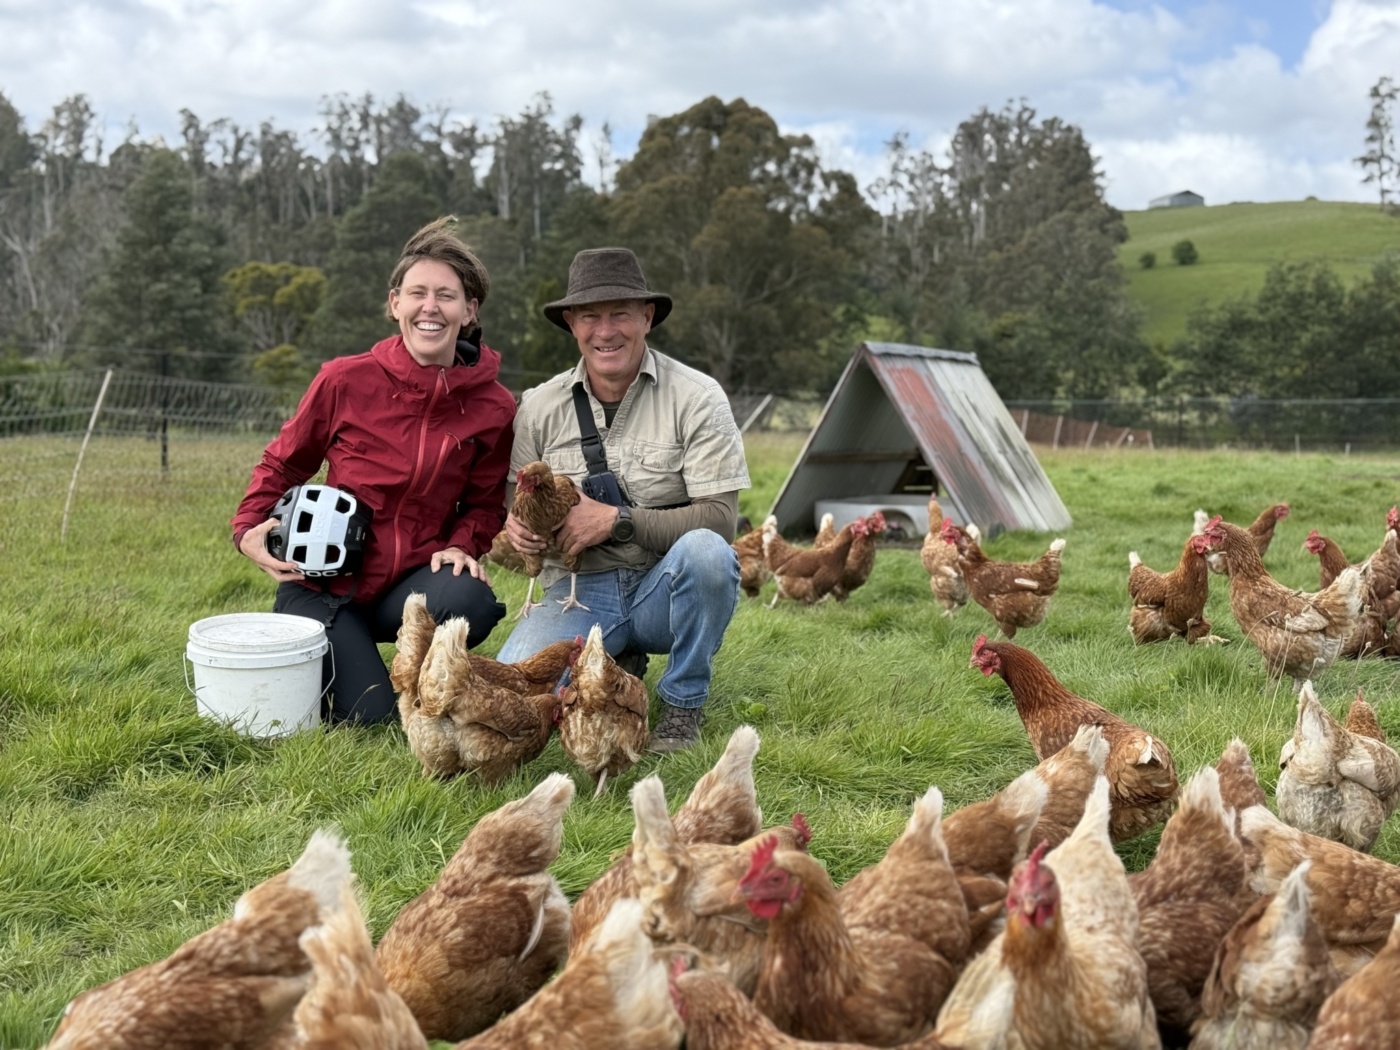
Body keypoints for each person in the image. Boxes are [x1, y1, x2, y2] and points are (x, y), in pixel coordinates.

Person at [231, 217, 516, 724]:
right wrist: (247, 529)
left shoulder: (493, 406)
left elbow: (485, 502)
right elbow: (285, 460)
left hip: (407, 585)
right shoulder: (344, 379)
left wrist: (463, 544)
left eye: (446, 296)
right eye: (418, 293)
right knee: (372, 718)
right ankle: (339, 660)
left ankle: (414, 674)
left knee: (471, 598)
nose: (431, 307)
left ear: (469, 310)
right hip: (322, 582)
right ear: (395, 304)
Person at [497, 247, 749, 752]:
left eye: (620, 314)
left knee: (708, 554)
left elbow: (721, 520)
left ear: (647, 317)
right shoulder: (539, 407)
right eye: (590, 315)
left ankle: (683, 704)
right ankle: (615, 660)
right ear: (572, 323)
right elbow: (510, 508)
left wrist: (616, 521)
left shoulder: (697, 397)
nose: (605, 331)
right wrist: (516, 530)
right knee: (514, 700)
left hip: (664, 586)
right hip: (577, 590)